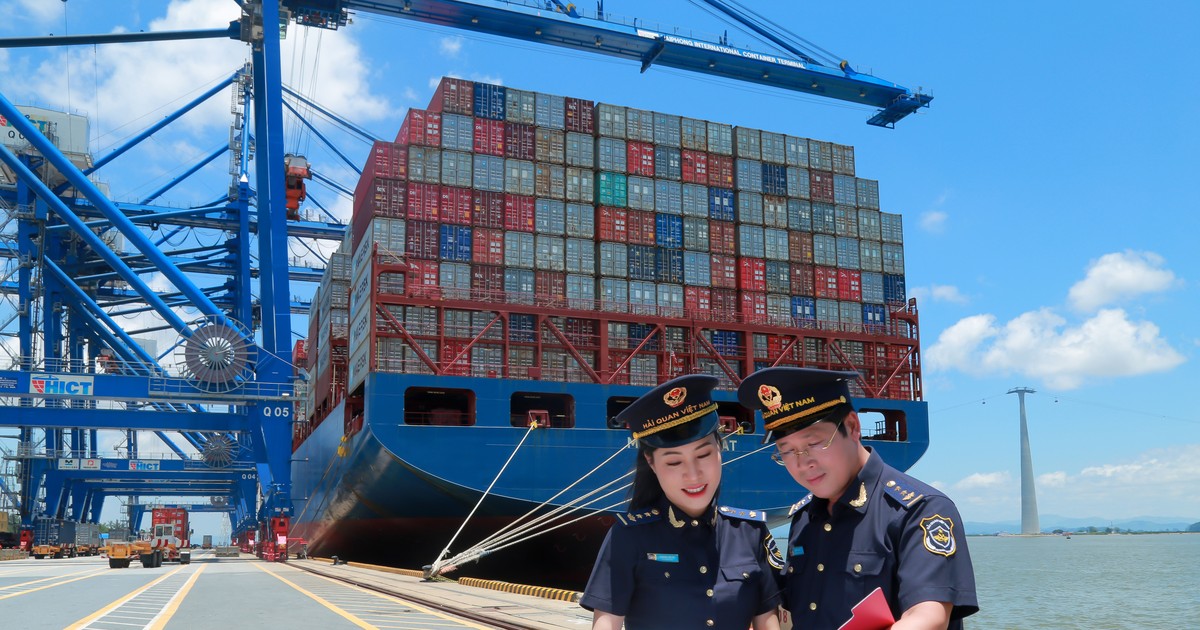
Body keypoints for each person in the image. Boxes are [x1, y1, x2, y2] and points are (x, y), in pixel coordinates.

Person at [737, 367, 978, 630]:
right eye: (787, 451)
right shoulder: (805, 518)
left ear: (852, 426)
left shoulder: (920, 510)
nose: (803, 463)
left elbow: (928, 618)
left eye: (814, 443)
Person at [580, 374, 784, 630]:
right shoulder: (628, 537)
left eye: (704, 454)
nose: (693, 475)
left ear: (720, 449)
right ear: (651, 463)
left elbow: (768, 622)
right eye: (674, 462)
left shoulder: (750, 533)